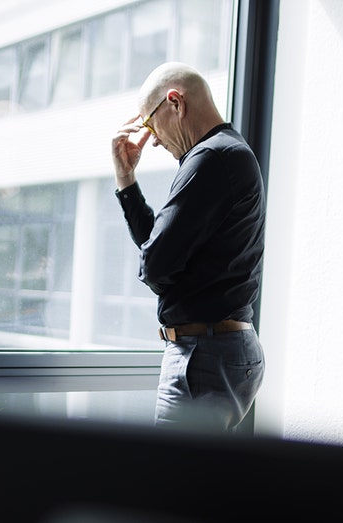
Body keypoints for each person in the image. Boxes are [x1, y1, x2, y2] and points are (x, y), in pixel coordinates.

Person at [111, 62, 266, 432]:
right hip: (221, 349)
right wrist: (126, 179)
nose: (154, 139)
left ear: (175, 103)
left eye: (150, 124)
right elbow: (159, 253)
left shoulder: (211, 158)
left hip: (204, 354)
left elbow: (155, 266)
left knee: (171, 483)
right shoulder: (227, 153)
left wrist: (163, 272)